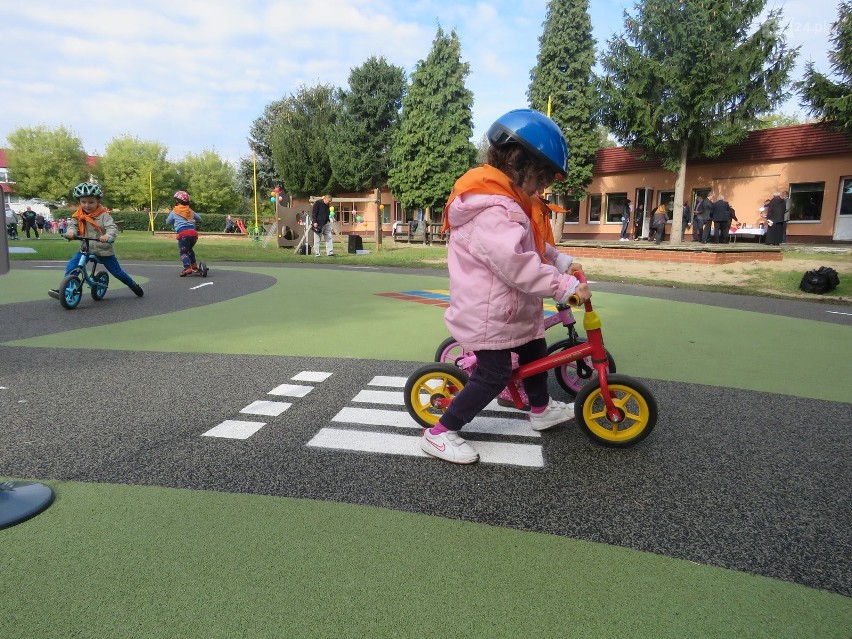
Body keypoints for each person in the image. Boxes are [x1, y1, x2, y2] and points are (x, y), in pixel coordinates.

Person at [425, 108, 589, 465]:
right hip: (488, 315)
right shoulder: (490, 210)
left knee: (535, 350)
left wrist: (562, 262)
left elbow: (532, 246)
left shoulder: (510, 203)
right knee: (494, 374)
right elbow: (516, 263)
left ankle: (540, 410)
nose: (542, 188)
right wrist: (562, 287)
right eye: (542, 178)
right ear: (518, 162)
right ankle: (440, 432)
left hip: (509, 310)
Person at [49, 182, 143, 299]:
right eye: (83, 202)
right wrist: (71, 232)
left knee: (117, 272)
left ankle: (133, 285)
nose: (87, 205)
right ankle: (67, 288)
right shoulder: (78, 216)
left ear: (98, 202)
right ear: (79, 202)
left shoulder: (104, 216)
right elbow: (73, 226)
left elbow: (112, 228)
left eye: (91, 202)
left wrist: (108, 236)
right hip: (85, 249)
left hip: (103, 250)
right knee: (72, 266)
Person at [165, 190, 204, 276]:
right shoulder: (190, 211)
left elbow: (167, 222)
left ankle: (187, 267)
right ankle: (194, 265)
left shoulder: (174, 211)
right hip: (194, 234)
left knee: (183, 252)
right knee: (189, 249)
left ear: (177, 201)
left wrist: (175, 221)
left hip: (183, 234)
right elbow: (200, 219)